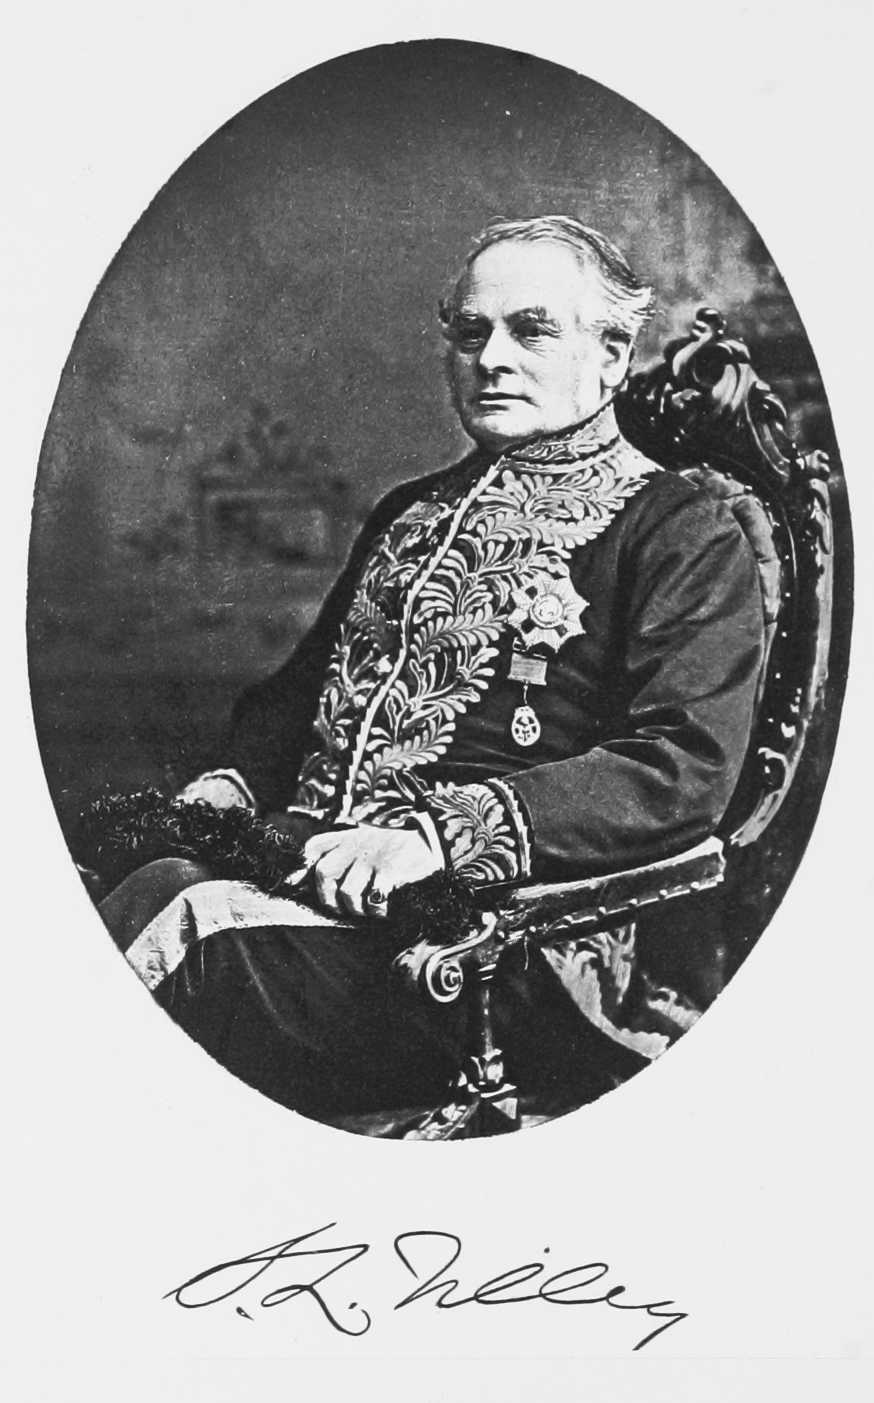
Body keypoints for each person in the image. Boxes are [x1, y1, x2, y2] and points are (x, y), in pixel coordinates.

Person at [98, 215, 765, 1129]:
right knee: (134, 880)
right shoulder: (411, 511)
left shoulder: (681, 531)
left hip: (501, 948)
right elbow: (295, 697)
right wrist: (236, 780)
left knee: (183, 928)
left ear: (611, 355)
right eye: (470, 333)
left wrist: (437, 837)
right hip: (313, 887)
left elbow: (680, 764)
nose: (492, 359)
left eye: (531, 330)